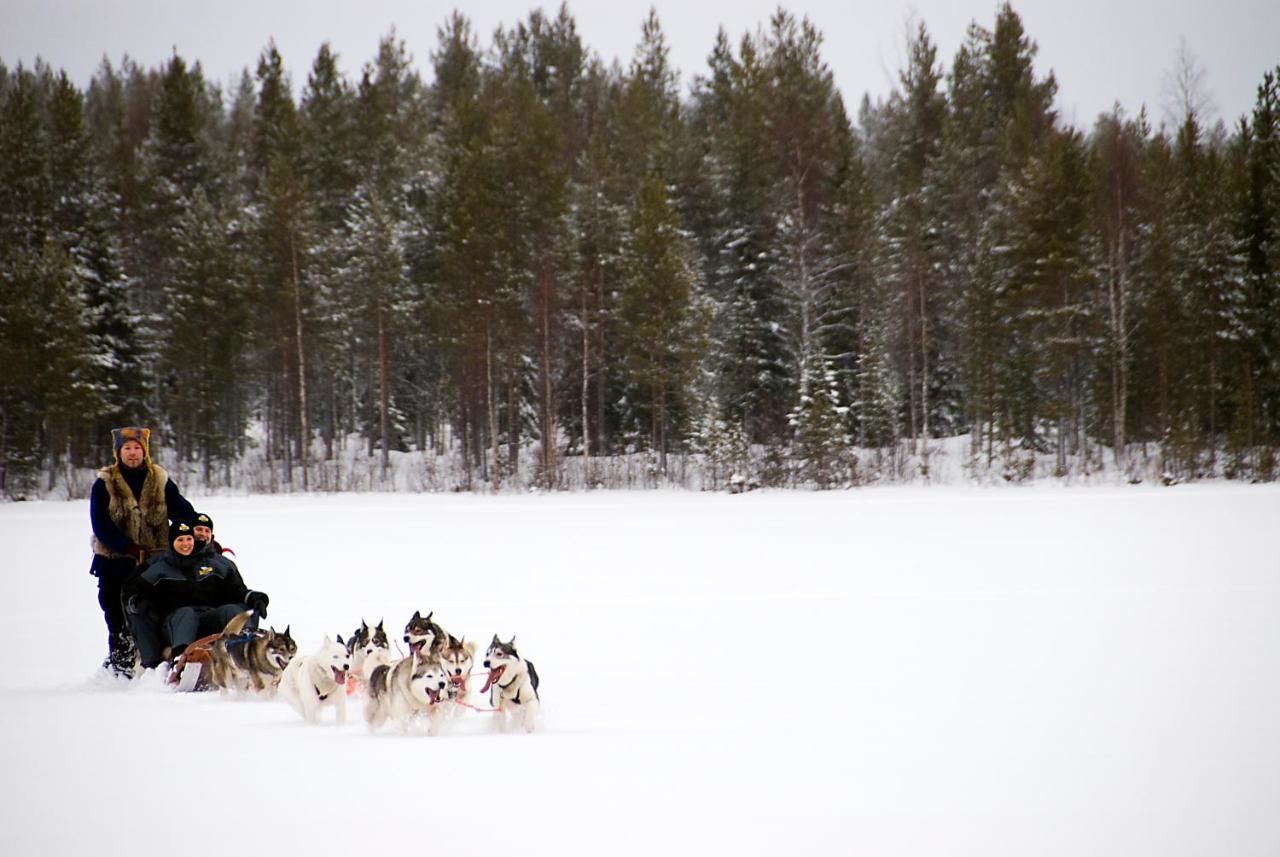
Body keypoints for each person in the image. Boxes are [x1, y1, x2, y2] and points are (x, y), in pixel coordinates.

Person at [89, 426, 195, 676]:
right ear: (118, 452)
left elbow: (182, 510)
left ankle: (156, 662)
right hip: (115, 562)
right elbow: (100, 525)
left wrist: (198, 531)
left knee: (153, 614)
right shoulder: (105, 483)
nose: (133, 453)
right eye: (127, 448)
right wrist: (128, 547)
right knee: (116, 616)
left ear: (145, 451)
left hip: (153, 562)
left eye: (137, 448)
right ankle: (120, 668)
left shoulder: (159, 479)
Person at [123, 520, 270, 670]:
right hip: (174, 625)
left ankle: (247, 655)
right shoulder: (157, 568)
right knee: (187, 613)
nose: (185, 544)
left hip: (207, 619)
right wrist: (138, 602)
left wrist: (254, 597)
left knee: (232, 610)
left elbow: (236, 590)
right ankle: (181, 660)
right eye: (180, 540)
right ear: (171, 542)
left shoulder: (212, 563)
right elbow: (131, 592)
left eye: (189, 539)